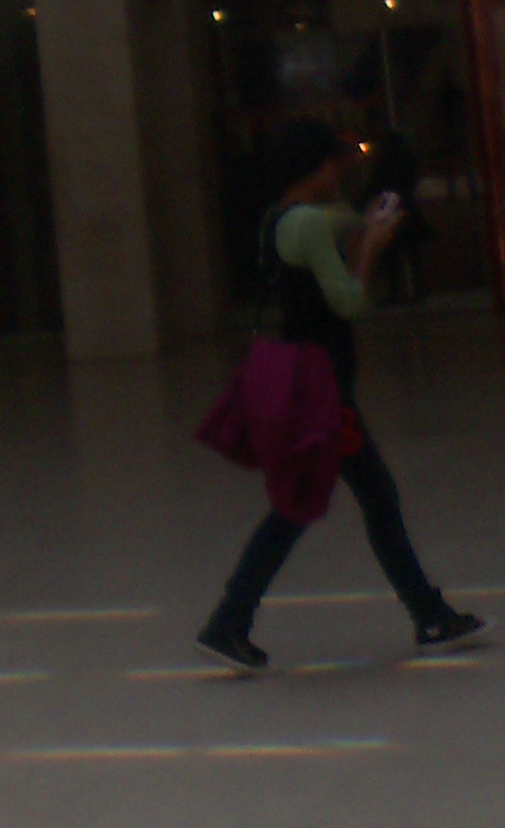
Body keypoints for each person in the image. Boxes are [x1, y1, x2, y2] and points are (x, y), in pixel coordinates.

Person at [199, 122, 485, 672]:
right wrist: (371, 248)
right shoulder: (307, 223)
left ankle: (426, 613)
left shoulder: (278, 218)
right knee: (328, 503)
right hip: (324, 390)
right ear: (316, 166)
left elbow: (327, 247)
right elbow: (348, 301)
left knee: (335, 501)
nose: (340, 171)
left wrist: (361, 228)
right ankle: (231, 621)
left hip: (306, 384)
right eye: (334, 162)